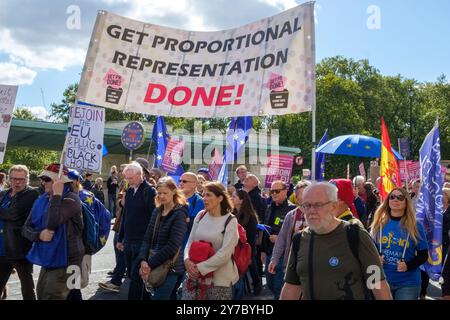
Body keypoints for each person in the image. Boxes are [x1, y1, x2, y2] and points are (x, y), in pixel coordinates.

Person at [280, 182, 392, 300]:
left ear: (333, 206)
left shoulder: (355, 235)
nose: (311, 211)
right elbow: (292, 286)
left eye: (318, 205)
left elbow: (377, 284)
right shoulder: (299, 240)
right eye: (306, 205)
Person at [22, 163, 84, 300]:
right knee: (43, 292)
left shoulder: (72, 199)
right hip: (48, 256)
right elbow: (25, 228)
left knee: (53, 295)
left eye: (47, 179)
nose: (43, 182)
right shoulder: (41, 199)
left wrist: (57, 195)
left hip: (68, 259)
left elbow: (52, 223)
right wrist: (38, 235)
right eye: (42, 178)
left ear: (59, 182)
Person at [99, 162, 156, 300]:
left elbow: (154, 219)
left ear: (140, 175)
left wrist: (149, 243)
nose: (128, 181)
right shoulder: (129, 191)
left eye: (131, 178)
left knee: (138, 277)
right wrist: (120, 238)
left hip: (142, 242)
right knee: (131, 275)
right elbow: (125, 216)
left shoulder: (149, 191)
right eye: (126, 178)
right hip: (128, 241)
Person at [182, 182, 239, 300]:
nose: (204, 199)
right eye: (203, 195)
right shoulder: (200, 215)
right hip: (194, 278)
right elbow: (190, 241)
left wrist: (200, 268)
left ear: (220, 198)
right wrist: (187, 260)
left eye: (208, 195)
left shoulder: (230, 220)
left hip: (218, 282)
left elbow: (225, 254)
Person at [370, 188, 428, 300]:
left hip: (408, 283)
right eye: (392, 197)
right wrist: (376, 258)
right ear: (388, 201)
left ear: (406, 202)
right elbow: (369, 250)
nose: (395, 200)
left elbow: (423, 255)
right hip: (380, 279)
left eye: (400, 197)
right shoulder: (378, 223)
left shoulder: (416, 226)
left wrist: (408, 265)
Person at [138, 177, 188, 300]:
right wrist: (143, 260)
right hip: (153, 265)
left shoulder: (179, 213)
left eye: (165, 193)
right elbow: (147, 238)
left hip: (171, 267)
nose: (162, 196)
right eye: (159, 193)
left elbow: (173, 245)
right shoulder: (157, 211)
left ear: (174, 192)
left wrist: (149, 264)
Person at [0, 165, 39, 300]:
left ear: (27, 179)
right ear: (9, 179)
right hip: (1, 248)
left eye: (21, 179)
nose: (17, 182)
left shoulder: (32, 194)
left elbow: (13, 214)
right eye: (14, 179)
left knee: (27, 288)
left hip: (19, 249)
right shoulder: (3, 193)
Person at [268, 180, 310, 295]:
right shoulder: (291, 215)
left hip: (310, 264)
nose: (306, 196)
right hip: (291, 263)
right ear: (296, 197)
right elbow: (281, 240)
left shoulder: (317, 214)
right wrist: (274, 259)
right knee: (282, 291)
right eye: (302, 193)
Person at [262, 180, 296, 299]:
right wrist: (263, 251)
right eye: (272, 191)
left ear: (286, 191)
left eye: (277, 191)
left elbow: (296, 235)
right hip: (269, 253)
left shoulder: (292, 210)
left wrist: (281, 239)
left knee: (278, 287)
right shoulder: (269, 207)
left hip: (284, 254)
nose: (274, 194)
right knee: (269, 283)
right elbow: (266, 229)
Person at [231, 189, 260, 298]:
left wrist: (250, 256)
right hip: (234, 249)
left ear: (242, 200)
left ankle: (256, 287)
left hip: (246, 250)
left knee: (249, 271)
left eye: (234, 197)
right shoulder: (232, 213)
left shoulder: (250, 217)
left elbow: (251, 239)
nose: (231, 199)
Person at [243, 174, 267, 278]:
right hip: (254, 229)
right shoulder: (251, 195)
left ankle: (256, 282)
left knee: (252, 256)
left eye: (249, 178)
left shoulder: (254, 197)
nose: (245, 178)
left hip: (253, 229)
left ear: (254, 184)